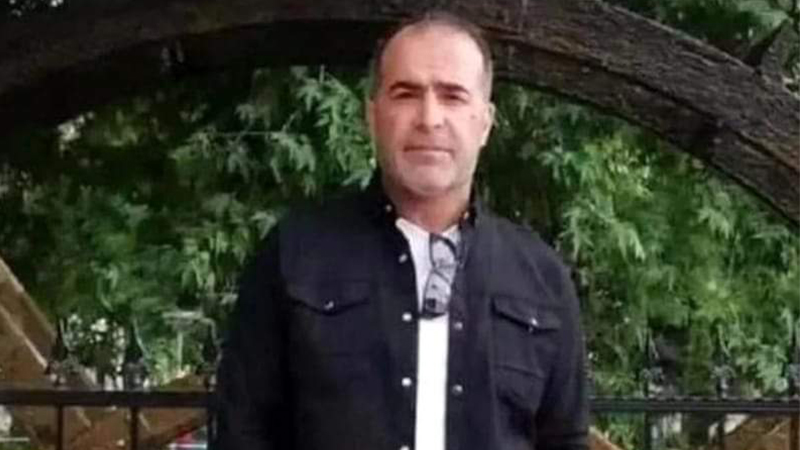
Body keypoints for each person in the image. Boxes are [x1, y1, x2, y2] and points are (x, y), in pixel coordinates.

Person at [213, 10, 588, 450]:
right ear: (372, 116)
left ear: (485, 122)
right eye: (406, 94)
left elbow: (565, 439)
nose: (429, 118)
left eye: (452, 96)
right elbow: (242, 433)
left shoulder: (541, 278)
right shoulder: (294, 256)